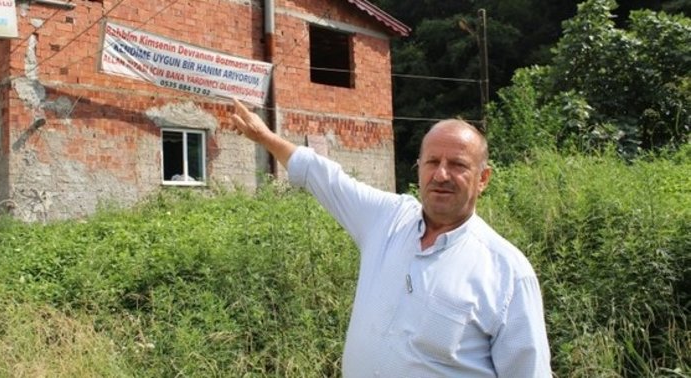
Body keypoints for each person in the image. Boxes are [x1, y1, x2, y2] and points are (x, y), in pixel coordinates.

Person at [230, 99, 551, 377]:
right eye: (432, 162)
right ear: (418, 169)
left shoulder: (508, 273)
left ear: (483, 178)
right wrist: (264, 136)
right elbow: (325, 177)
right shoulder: (387, 219)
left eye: (457, 165)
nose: (441, 175)